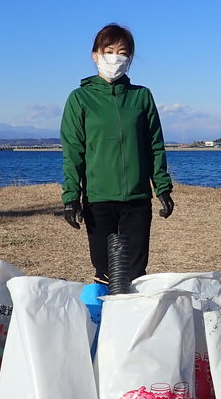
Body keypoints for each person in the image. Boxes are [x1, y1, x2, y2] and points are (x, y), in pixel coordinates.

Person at [60, 23, 174, 285]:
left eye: (122, 53)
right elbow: (73, 152)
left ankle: (134, 310)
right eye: (109, 51)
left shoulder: (141, 97)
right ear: (96, 55)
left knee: (135, 272)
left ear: (130, 58)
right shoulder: (80, 98)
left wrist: (163, 187)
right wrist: (71, 197)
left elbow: (155, 145)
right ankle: (104, 309)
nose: (115, 58)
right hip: (98, 198)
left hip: (137, 198)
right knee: (104, 270)